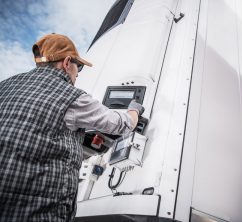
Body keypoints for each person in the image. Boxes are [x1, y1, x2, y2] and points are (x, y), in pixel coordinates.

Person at [0, 33, 144, 222]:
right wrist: (134, 110)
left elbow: (33, 138)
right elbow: (121, 124)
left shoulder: (5, 86)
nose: (77, 74)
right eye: (80, 67)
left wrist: (83, 147)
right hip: (35, 211)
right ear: (67, 62)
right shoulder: (69, 95)